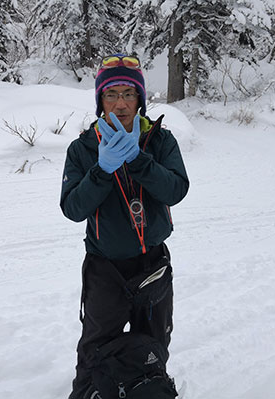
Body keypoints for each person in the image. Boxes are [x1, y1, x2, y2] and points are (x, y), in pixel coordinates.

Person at [60, 53, 189, 399]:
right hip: (106, 269)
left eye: (129, 94)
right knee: (95, 350)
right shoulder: (83, 149)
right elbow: (72, 208)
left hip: (153, 265)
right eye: (111, 94)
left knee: (155, 344)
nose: (120, 104)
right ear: (100, 100)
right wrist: (102, 171)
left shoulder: (160, 141)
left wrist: (138, 160)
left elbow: (176, 190)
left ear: (140, 100)